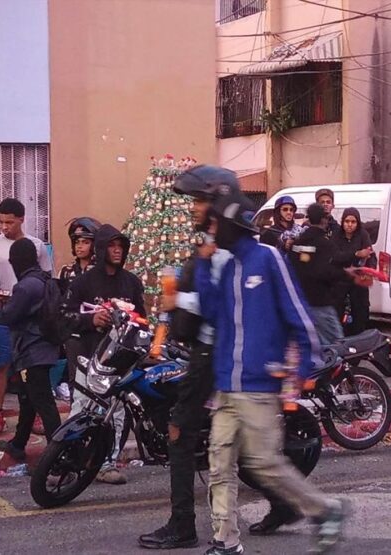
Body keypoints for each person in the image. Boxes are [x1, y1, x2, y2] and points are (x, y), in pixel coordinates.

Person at [196, 190, 348, 555]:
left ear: (234, 227)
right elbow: (211, 314)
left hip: (259, 384)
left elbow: (298, 312)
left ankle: (325, 510)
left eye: (217, 225)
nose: (212, 232)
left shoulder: (269, 259)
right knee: (219, 465)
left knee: (263, 463)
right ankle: (226, 541)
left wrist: (303, 369)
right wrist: (203, 265)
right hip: (227, 387)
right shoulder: (226, 265)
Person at [138, 165, 235, 549]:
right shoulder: (209, 245)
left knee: (180, 433)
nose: (192, 207)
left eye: (199, 200)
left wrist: (179, 299)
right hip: (204, 350)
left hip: (213, 353)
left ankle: (183, 525)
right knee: (241, 442)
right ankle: (282, 503)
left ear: (217, 203)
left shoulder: (225, 248)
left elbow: (222, 304)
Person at [0, 238, 62, 462]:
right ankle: (18, 444)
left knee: (43, 403)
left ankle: (58, 455)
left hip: (33, 351)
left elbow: (7, 317)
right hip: (41, 348)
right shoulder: (41, 279)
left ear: (17, 261)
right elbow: (23, 311)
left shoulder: (26, 285)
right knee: (27, 399)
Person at [64, 224, 145, 485]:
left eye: (121, 246)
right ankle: (68, 460)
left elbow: (143, 319)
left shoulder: (131, 282)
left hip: (120, 362)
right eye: (111, 245)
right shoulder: (82, 282)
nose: (117, 250)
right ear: (100, 249)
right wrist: (91, 320)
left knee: (116, 414)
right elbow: (63, 315)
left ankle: (107, 463)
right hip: (88, 356)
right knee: (81, 409)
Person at [0, 198, 52, 438]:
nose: (4, 227)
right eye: (0, 222)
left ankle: (38, 411)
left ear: (21, 219)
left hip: (30, 317)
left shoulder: (37, 246)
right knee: (0, 364)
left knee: (34, 367)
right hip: (1, 314)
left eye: (9, 222)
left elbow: (47, 279)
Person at [289, 203, 356, 345]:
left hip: (299, 304)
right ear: (323, 220)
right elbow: (325, 271)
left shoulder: (297, 244)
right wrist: (347, 273)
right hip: (321, 303)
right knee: (337, 347)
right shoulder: (324, 244)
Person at [55, 216, 100, 401]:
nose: (80, 246)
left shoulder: (100, 271)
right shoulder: (66, 271)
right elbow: (60, 301)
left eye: (86, 242)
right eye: (77, 242)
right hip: (73, 334)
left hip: (97, 332)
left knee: (96, 379)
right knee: (76, 379)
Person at [331, 207, 373, 336]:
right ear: (342, 222)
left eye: (353, 222)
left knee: (361, 310)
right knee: (337, 311)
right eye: (347, 221)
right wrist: (356, 254)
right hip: (340, 280)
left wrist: (369, 271)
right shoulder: (336, 235)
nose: (349, 225)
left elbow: (370, 255)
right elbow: (335, 256)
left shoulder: (363, 235)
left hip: (358, 281)